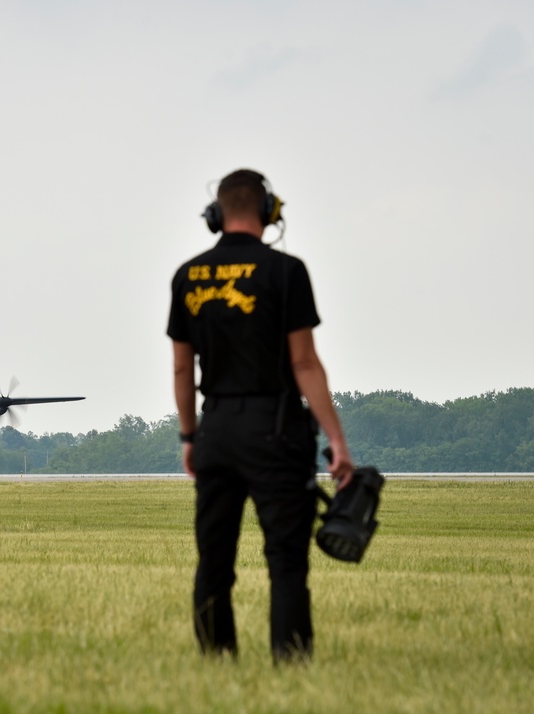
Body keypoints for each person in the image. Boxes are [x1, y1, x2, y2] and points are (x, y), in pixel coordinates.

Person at [166, 168, 353, 663]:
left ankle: (217, 661)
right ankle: (290, 664)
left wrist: (190, 437)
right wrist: (336, 440)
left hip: (217, 429)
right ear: (268, 211)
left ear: (217, 215)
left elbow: (182, 368)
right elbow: (305, 363)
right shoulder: (286, 272)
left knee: (214, 560)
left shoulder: (187, 276)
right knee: (286, 562)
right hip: (276, 428)